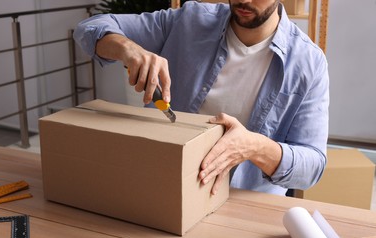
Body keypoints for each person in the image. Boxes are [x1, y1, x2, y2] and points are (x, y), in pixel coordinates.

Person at [73, 0, 329, 196]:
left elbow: (313, 167)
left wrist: (253, 146)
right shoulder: (188, 21)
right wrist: (128, 49)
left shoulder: (309, 63)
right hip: (164, 184)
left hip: (246, 202)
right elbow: (89, 29)